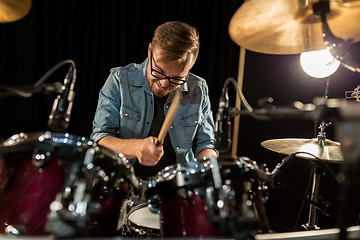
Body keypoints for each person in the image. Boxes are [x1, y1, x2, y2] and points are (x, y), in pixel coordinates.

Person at [91, 21, 217, 181]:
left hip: (178, 188)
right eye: (159, 71)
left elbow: (205, 143)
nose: (164, 84)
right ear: (150, 51)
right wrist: (136, 147)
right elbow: (100, 139)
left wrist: (207, 165)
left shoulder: (198, 88)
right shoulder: (119, 80)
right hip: (126, 184)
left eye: (177, 78)